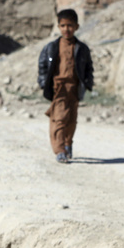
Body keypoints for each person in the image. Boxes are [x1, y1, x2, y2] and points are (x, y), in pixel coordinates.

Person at [38, 9, 94, 163]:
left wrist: (88, 82)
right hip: (58, 87)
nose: (66, 29)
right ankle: (60, 150)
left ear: (76, 26)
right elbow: (42, 65)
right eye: (62, 26)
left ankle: (68, 143)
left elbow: (89, 67)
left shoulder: (81, 49)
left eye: (69, 25)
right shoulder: (52, 47)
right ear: (58, 26)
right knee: (59, 119)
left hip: (75, 87)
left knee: (71, 119)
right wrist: (43, 82)